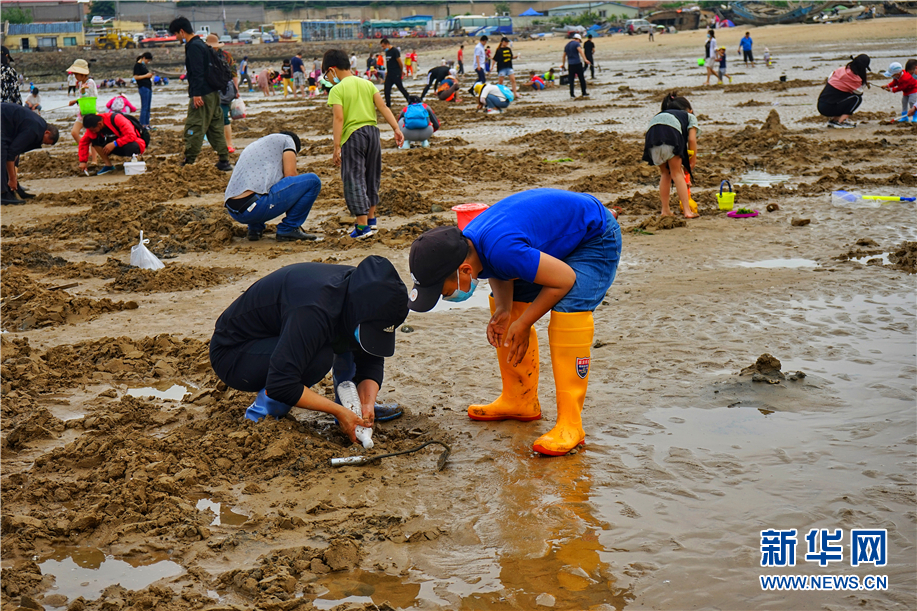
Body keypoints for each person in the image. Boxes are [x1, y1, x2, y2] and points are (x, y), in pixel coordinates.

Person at [407, 188, 621, 456]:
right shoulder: (472, 244)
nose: (444, 296)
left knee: (569, 307)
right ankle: (519, 398)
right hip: (558, 240)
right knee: (505, 306)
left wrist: (524, 323)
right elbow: (497, 267)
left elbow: (564, 279)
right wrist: (507, 309)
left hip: (594, 237)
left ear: (464, 270)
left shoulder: (501, 248)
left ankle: (571, 424)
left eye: (443, 291)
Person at [209, 256, 409, 436]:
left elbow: (370, 356)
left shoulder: (365, 291)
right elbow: (282, 384)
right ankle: (262, 415)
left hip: (283, 335)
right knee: (319, 357)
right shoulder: (314, 309)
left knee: (356, 339)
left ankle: (353, 408)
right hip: (234, 353)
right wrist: (337, 411)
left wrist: (367, 403)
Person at [324, 48, 404, 239]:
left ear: (332, 69)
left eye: (326, 73)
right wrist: (396, 128)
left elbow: (338, 118)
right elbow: (382, 106)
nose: (327, 78)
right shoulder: (367, 84)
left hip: (353, 136)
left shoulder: (337, 89)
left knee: (354, 178)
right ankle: (371, 219)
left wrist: (336, 147)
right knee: (372, 176)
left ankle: (362, 228)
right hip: (372, 133)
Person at [223, 132, 320, 242]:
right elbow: (290, 175)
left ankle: (255, 229)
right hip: (256, 208)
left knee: (261, 186)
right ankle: (288, 228)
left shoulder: (257, 146)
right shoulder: (288, 140)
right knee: (313, 181)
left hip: (234, 211)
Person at [168, 17, 232, 171]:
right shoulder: (202, 44)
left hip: (202, 94)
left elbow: (196, 72)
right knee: (215, 127)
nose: (176, 37)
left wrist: (196, 94)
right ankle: (224, 160)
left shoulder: (193, 47)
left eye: (176, 34)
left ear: (182, 32)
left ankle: (188, 161)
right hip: (212, 93)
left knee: (194, 125)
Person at [642, 92, 699, 219]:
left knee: (665, 174)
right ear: (690, 110)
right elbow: (691, 140)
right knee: (676, 173)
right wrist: (693, 161)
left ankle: (665, 210)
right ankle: (687, 211)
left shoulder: (662, 114)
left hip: (652, 137)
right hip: (670, 135)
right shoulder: (689, 116)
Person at [1, 102, 59, 205]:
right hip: (3, 119)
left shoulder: (40, 125)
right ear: (47, 133)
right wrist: (12, 178)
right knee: (2, 152)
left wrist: (13, 178)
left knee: (9, 151)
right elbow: (10, 154)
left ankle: (12, 189)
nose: (42, 143)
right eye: (44, 142)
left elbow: (16, 150)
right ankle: (2, 193)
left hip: (6, 122)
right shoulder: (34, 131)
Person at [78, 112, 148, 176]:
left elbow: (131, 135)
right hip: (112, 147)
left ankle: (135, 162)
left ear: (100, 124)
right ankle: (108, 165)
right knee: (94, 141)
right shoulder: (92, 128)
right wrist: (83, 161)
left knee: (132, 147)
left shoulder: (117, 119)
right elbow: (84, 142)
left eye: (93, 130)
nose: (92, 132)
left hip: (133, 142)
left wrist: (114, 143)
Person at [817, 54, 871, 128]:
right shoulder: (855, 79)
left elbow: (829, 79)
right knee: (857, 98)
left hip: (821, 104)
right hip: (828, 108)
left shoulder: (841, 70)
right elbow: (859, 92)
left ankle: (834, 120)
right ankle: (842, 121)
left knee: (844, 96)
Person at [206, 34, 239, 154]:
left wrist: (236, 89)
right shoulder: (204, 55)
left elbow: (234, 73)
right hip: (209, 90)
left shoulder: (226, 55)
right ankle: (218, 144)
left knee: (224, 116)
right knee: (212, 118)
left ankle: (229, 144)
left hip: (224, 90)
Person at [380, 38, 410, 108]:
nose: (383, 48)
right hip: (389, 74)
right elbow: (389, 63)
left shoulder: (395, 51)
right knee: (386, 89)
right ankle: (388, 105)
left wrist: (401, 71)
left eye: (383, 46)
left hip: (396, 73)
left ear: (387, 44)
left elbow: (400, 62)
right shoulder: (387, 52)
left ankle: (410, 101)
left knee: (401, 88)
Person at [562, 34, 589, 99]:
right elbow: (581, 52)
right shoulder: (576, 44)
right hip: (577, 63)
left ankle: (572, 94)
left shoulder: (567, 45)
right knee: (581, 78)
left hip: (570, 65)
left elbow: (564, 56)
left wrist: (563, 64)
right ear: (578, 39)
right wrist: (585, 59)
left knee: (571, 80)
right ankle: (584, 92)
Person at [133, 52, 154, 130]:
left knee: (148, 106)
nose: (147, 62)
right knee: (144, 106)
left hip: (148, 87)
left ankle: (147, 124)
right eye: (147, 60)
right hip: (143, 87)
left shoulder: (143, 66)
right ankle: (142, 124)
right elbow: (135, 77)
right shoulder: (137, 66)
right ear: (144, 58)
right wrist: (146, 75)